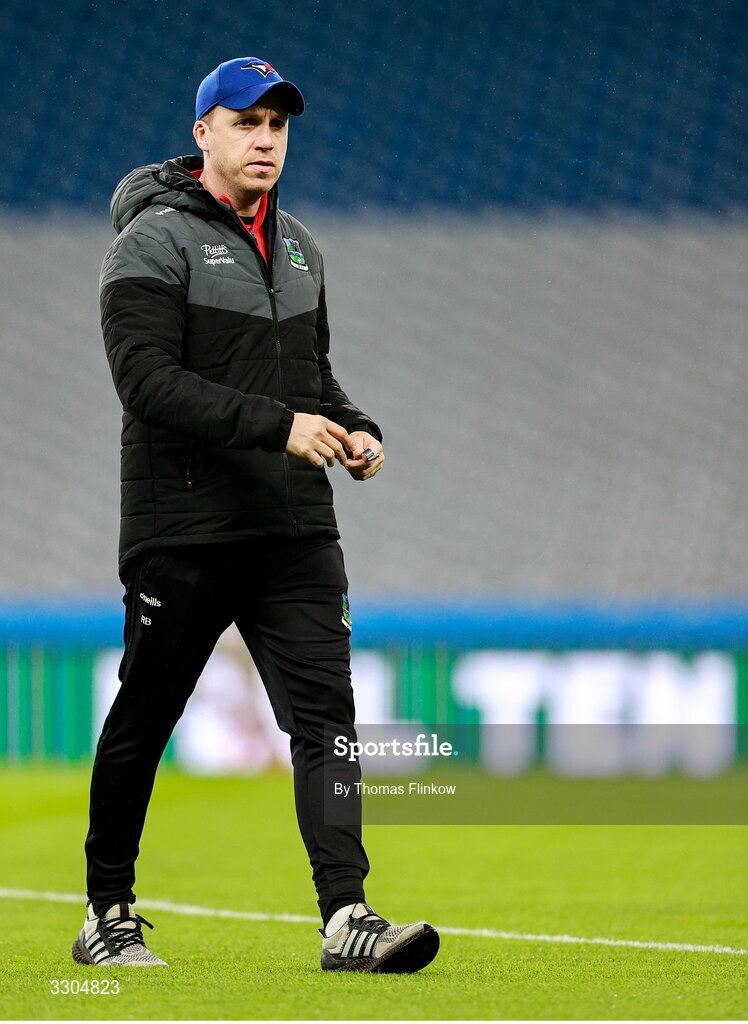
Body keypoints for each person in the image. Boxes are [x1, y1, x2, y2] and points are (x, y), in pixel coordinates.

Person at [72, 56, 440, 974]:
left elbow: (310, 382)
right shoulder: (151, 243)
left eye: (278, 124)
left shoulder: (304, 246)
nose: (266, 138)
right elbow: (147, 383)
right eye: (245, 122)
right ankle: (106, 912)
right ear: (204, 134)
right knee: (144, 721)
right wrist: (284, 426)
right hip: (185, 528)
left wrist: (353, 429)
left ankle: (346, 917)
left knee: (327, 721)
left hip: (293, 532)